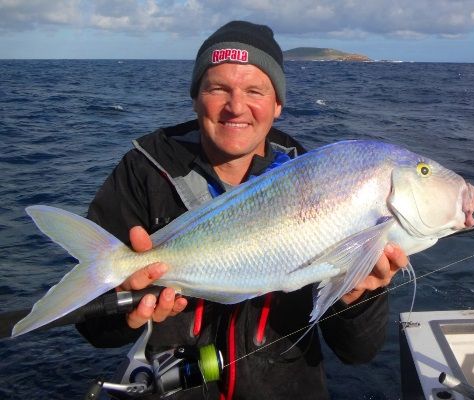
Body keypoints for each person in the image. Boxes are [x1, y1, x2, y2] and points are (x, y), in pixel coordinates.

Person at [77, 20, 409, 399]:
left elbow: (357, 352)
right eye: (218, 88)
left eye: (255, 90)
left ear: (278, 104)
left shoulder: (325, 186)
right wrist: (125, 310)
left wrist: (359, 298)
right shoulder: (144, 171)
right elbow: (93, 330)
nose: (236, 107)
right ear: (196, 96)